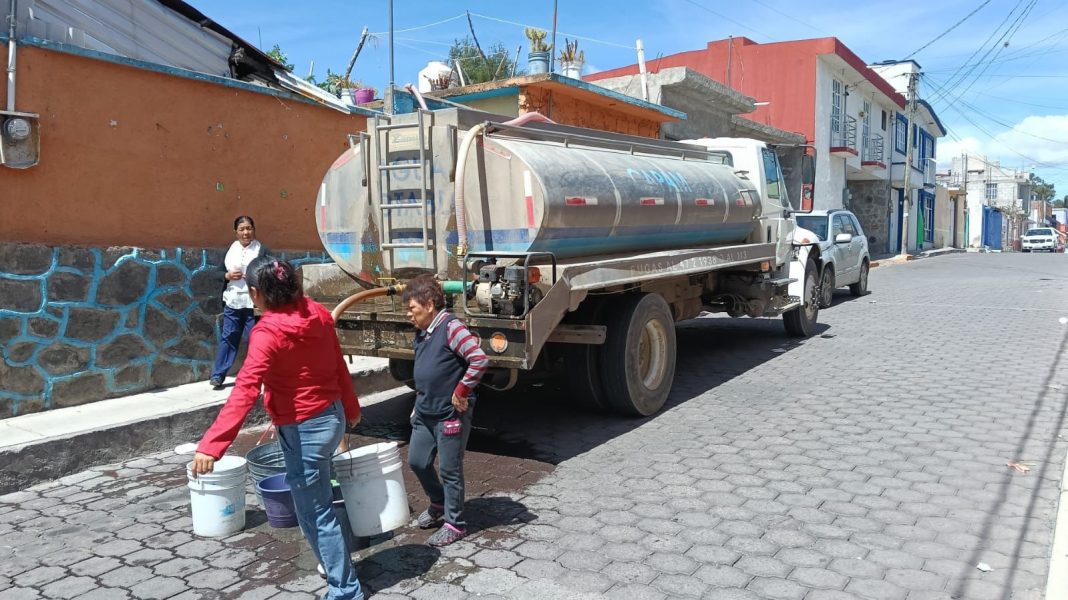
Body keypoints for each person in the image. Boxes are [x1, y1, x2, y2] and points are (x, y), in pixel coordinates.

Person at [191, 257, 364, 600]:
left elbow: (244, 390)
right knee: (318, 503)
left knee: (315, 512)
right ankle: (336, 566)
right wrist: (351, 407)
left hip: (305, 431)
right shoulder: (316, 312)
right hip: (332, 418)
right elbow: (336, 362)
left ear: (256, 293)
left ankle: (345, 589)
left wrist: (211, 445)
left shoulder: (267, 334)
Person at [403, 274, 488, 547]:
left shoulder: (452, 327)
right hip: (425, 413)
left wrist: (462, 390)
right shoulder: (423, 333)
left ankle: (455, 524)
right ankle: (438, 502)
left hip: (450, 415)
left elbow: (478, 358)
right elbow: (426, 374)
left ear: (429, 305)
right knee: (416, 461)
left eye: (412, 309)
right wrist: (418, 405)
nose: (409, 315)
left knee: (450, 470)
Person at [209, 216, 265, 390]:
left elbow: (271, 272)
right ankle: (218, 375)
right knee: (229, 338)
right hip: (233, 301)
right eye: (242, 229)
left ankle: (259, 376)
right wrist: (227, 276)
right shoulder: (231, 250)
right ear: (236, 232)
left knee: (255, 339)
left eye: (249, 228)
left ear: (253, 230)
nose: (245, 233)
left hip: (253, 304)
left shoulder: (261, 250)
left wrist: (256, 277)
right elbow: (217, 273)